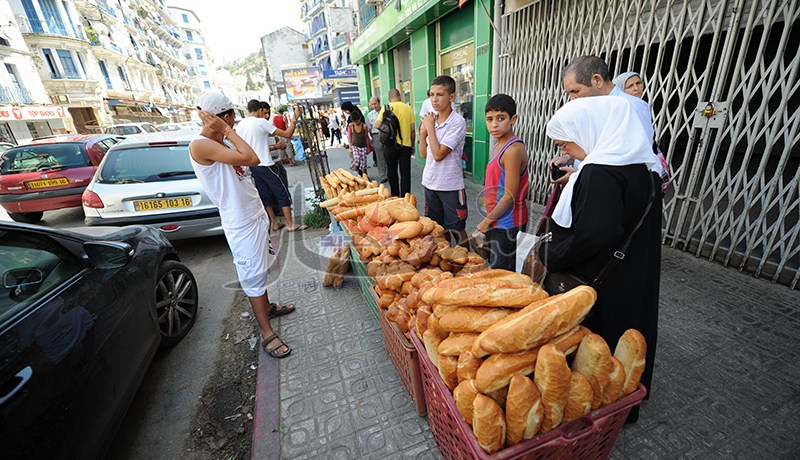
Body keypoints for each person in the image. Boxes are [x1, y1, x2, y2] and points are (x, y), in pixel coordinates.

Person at [538, 96, 661, 422]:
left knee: (598, 350)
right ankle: (624, 405)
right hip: (632, 273)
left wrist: (550, 254)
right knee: (629, 343)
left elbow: (594, 235)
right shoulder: (644, 167)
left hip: (602, 283)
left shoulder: (600, 171)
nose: (568, 152)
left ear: (590, 129)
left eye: (567, 143)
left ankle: (597, 416)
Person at [189, 92, 294, 359]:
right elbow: (252, 158)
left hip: (253, 215)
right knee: (252, 277)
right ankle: (267, 333)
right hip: (240, 222)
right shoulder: (201, 145)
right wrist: (226, 130)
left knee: (261, 268)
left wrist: (225, 133)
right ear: (226, 117)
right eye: (232, 117)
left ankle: (267, 307)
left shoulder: (221, 141)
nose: (234, 122)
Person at [476, 94, 529, 270]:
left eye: (500, 118)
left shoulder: (513, 150)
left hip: (508, 223)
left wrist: (486, 222)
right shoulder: (498, 145)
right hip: (496, 219)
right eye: (489, 119)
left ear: (513, 119)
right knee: (494, 267)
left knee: (502, 273)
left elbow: (509, 196)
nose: (494, 124)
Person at [237, 99, 307, 232]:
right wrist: (294, 118)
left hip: (253, 165)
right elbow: (287, 134)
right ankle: (290, 224)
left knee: (265, 195)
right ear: (260, 110)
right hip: (266, 164)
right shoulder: (260, 122)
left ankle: (274, 223)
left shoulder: (241, 125)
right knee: (282, 192)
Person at [419, 75, 468, 246]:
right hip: (430, 182)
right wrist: (423, 133)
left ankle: (466, 259)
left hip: (450, 186)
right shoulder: (431, 120)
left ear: (451, 97)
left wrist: (430, 128)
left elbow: (439, 154)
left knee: (457, 229)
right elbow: (423, 154)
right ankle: (447, 256)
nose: (434, 99)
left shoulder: (457, 122)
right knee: (438, 229)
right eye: (431, 95)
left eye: (440, 94)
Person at [614, 71, 672, 191]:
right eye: (630, 86)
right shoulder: (623, 108)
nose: (636, 88)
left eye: (638, 83)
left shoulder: (641, 105)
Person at [376, 88, 415, 197]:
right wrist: (412, 144)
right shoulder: (408, 108)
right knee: (405, 173)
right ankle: (406, 197)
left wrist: (388, 130)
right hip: (405, 145)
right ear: (400, 97)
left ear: (389, 99)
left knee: (392, 171)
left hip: (390, 145)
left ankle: (395, 196)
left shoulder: (386, 108)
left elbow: (377, 125)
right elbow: (412, 130)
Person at [366, 96, 388, 182]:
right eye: (372, 104)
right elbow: (368, 128)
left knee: (388, 155)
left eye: (375, 104)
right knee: (379, 157)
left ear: (379, 103)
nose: (374, 106)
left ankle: (391, 173)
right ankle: (383, 175)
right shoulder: (370, 115)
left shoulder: (386, 112)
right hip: (376, 136)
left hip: (387, 135)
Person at [343, 109, 369, 177]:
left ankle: (364, 175)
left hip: (363, 146)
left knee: (363, 163)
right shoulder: (351, 126)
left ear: (360, 118)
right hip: (355, 146)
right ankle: (355, 173)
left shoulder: (364, 126)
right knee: (357, 159)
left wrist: (368, 147)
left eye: (357, 121)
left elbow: (366, 137)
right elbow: (350, 136)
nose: (356, 123)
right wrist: (350, 146)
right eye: (354, 121)